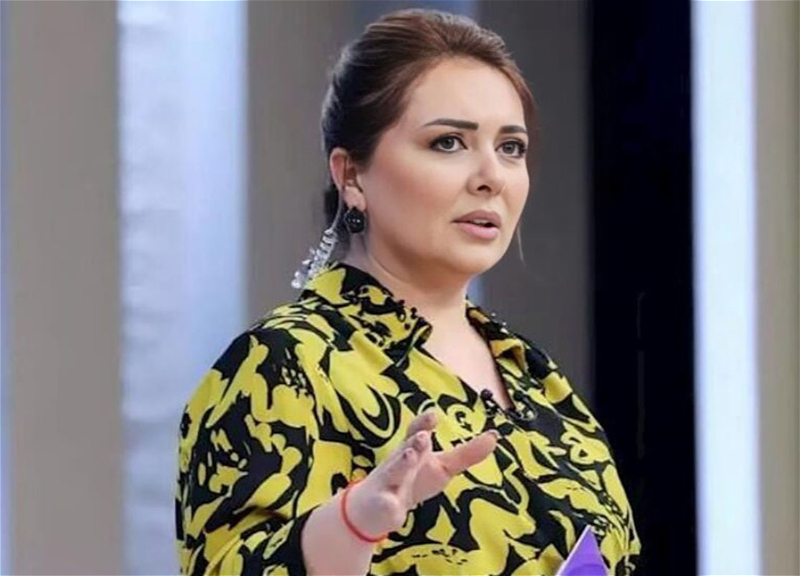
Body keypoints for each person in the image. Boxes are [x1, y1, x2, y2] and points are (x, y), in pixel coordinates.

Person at [175, 8, 641, 576]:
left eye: (511, 148)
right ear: (352, 175)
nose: (491, 176)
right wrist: (349, 527)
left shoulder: (535, 377)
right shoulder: (283, 365)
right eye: (448, 142)